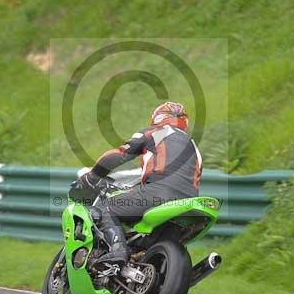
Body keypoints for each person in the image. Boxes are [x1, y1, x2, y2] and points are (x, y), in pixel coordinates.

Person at [73, 101, 203, 265]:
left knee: (104, 208)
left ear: (158, 117)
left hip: (158, 193)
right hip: (189, 202)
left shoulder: (156, 132)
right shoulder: (194, 147)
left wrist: (92, 176)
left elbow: (119, 155)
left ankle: (118, 251)